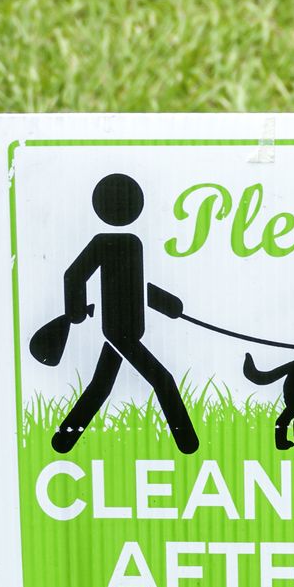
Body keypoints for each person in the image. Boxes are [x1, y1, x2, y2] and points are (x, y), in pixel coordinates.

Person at [49, 173, 199, 455]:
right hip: (119, 330)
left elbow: (137, 286)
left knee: (101, 386)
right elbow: (74, 275)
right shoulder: (103, 243)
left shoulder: (133, 243)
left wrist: (170, 305)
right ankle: (188, 444)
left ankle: (64, 440)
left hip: (128, 328)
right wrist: (76, 312)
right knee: (163, 380)